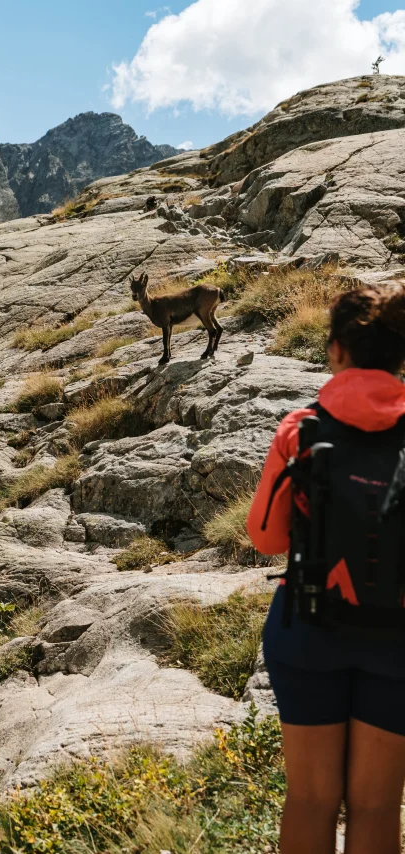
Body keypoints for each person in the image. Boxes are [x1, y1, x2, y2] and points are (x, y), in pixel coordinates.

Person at [247, 285, 405, 854]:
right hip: (397, 638)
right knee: (379, 806)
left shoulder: (301, 429)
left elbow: (264, 538)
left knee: (312, 800)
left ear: (336, 351)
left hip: (309, 625)